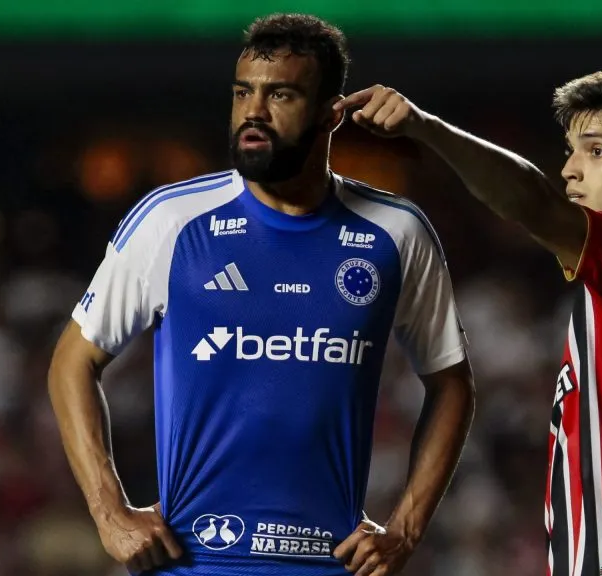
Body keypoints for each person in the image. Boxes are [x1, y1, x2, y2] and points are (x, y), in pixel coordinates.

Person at [48, 14, 474, 576]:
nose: (253, 111)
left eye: (281, 95)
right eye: (242, 93)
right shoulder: (171, 221)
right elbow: (72, 361)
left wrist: (405, 530)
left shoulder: (396, 232)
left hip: (330, 564)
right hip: (191, 561)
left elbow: (451, 384)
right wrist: (110, 514)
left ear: (330, 114)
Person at [337, 68, 602, 576]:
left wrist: (425, 127)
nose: (570, 170)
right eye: (571, 151)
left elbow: (532, 202)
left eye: (596, 150)